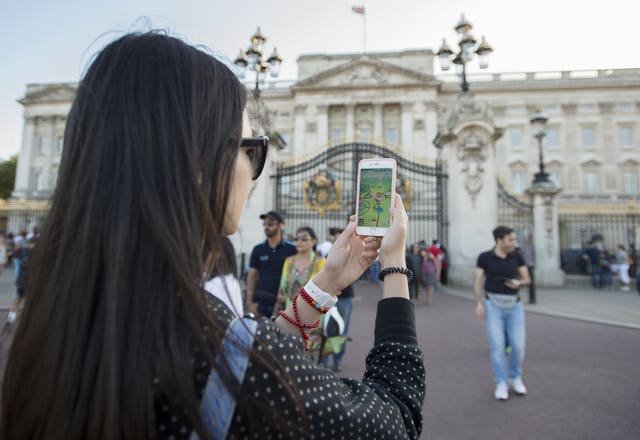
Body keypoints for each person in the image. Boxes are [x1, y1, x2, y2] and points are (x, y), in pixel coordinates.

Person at [2, 32, 425, 439]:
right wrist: (394, 266)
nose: (255, 174)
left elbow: (245, 354)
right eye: (252, 150)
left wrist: (328, 281)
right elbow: (397, 419)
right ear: (200, 162)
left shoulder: (60, 316)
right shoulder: (211, 350)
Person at [474, 225, 531, 401]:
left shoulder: (517, 256)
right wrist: (478, 303)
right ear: (499, 241)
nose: (514, 242)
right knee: (497, 346)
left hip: (514, 306)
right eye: (511, 239)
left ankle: (515, 376)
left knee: (518, 346)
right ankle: (501, 381)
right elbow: (478, 280)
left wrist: (518, 283)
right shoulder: (485, 257)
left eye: (514, 239)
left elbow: (527, 278)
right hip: (493, 305)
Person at [245, 210, 296, 317]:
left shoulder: (291, 249)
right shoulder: (258, 249)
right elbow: (252, 275)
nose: (266, 227)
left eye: (271, 224)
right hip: (260, 303)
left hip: (283, 303)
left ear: (281, 226)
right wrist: (249, 302)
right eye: (265, 224)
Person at [275, 226, 325, 315]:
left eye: (304, 239)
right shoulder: (289, 261)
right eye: (296, 239)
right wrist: (281, 297)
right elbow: (282, 287)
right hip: (289, 312)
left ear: (313, 241)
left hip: (312, 314)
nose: (299, 242)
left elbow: (325, 289)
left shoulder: (321, 263)